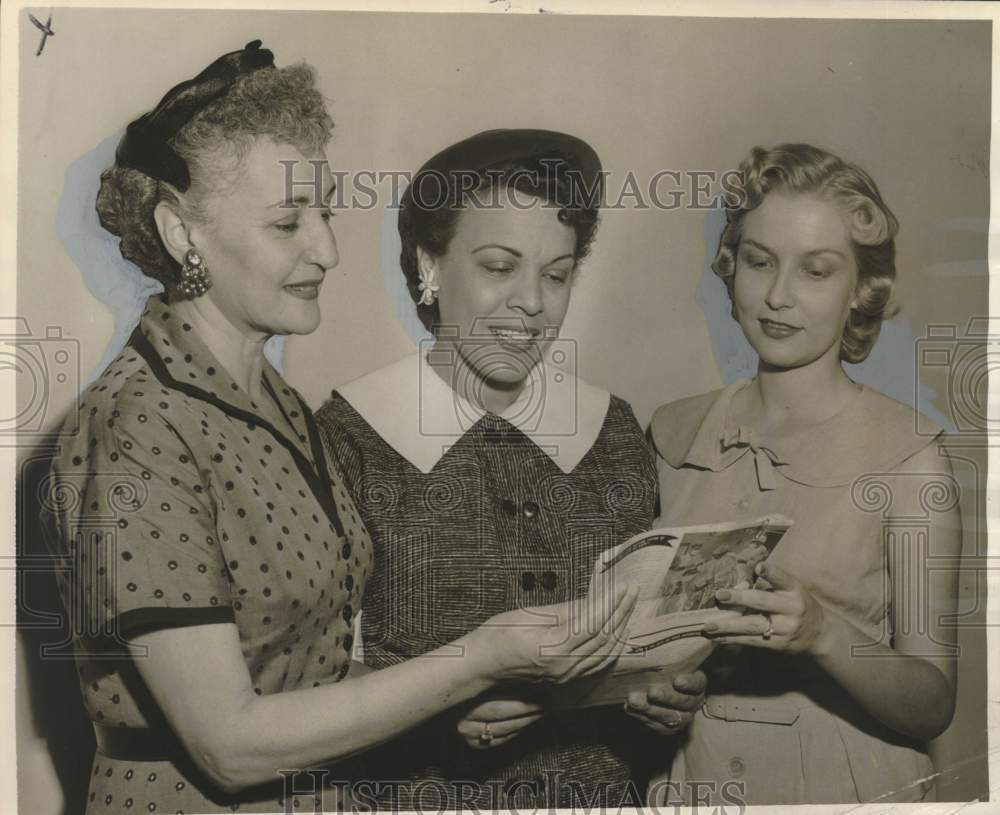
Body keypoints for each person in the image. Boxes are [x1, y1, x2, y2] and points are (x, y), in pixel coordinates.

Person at [40, 43, 641, 815]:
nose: (326, 249)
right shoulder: (138, 423)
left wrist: (455, 702)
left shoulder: (279, 405)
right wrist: (477, 659)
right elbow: (229, 742)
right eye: (288, 222)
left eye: (325, 211)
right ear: (181, 233)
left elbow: (309, 676)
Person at [316, 130, 707, 809]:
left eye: (556, 274)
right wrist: (434, 704)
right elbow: (296, 675)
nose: (534, 301)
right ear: (428, 265)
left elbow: (645, 637)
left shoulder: (614, 430)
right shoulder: (348, 435)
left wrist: (670, 688)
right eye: (500, 266)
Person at [647, 143, 960, 804]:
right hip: (690, 781)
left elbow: (932, 703)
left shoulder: (909, 456)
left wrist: (823, 632)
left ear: (860, 291)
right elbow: (646, 646)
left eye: (816, 271)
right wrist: (651, 692)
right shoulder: (672, 436)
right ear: (732, 270)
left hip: (841, 786)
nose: (779, 295)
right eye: (760, 262)